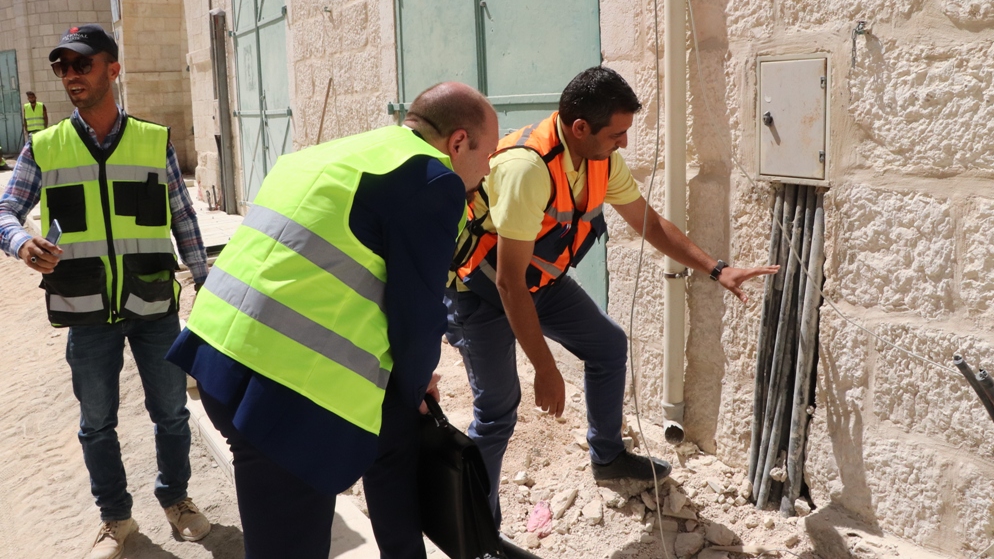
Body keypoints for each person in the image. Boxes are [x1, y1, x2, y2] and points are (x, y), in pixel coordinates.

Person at [168, 81, 500, 559]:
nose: (487, 170)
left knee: (392, 436)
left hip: (218, 358)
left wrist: (405, 392)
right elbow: (417, 314)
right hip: (283, 395)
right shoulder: (432, 179)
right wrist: (416, 388)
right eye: (488, 154)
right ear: (458, 142)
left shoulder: (339, 153)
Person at [448, 66, 780, 525]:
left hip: (538, 282)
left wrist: (717, 269)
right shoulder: (527, 168)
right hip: (484, 290)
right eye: (617, 134)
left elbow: (649, 222)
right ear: (580, 128)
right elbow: (508, 282)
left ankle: (607, 457)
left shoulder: (599, 159)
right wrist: (545, 367)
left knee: (607, 344)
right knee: (497, 413)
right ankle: (477, 531)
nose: (624, 142)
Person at [0, 24, 212, 559]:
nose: (70, 75)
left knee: (172, 413)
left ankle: (177, 500)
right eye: (62, 67)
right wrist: (21, 242)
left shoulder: (153, 140)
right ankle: (116, 518)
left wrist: (205, 283)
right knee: (96, 424)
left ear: (112, 69)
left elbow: (182, 215)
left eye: (82, 64)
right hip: (85, 307)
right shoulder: (44, 147)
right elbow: (5, 210)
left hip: (152, 302)